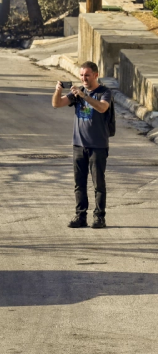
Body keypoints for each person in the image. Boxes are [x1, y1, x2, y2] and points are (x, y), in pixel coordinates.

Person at [51, 61, 113, 229]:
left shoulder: (104, 92)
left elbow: (102, 108)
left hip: (98, 146)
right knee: (79, 183)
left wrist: (84, 96)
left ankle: (99, 217)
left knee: (98, 184)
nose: (84, 78)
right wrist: (58, 91)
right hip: (78, 145)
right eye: (81, 75)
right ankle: (80, 216)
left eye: (87, 75)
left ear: (95, 75)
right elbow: (56, 104)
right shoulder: (78, 92)